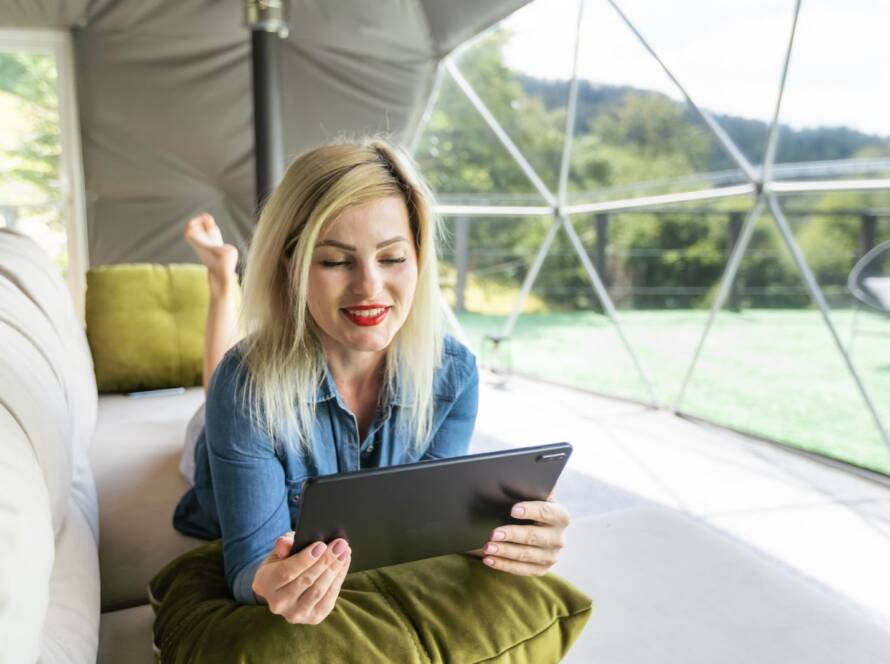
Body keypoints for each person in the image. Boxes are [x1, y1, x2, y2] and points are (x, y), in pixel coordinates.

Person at [172, 138, 571, 626]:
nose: (370, 288)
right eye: (336, 261)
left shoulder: (454, 373)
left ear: (419, 259)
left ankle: (222, 275)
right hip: (217, 435)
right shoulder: (243, 387)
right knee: (221, 388)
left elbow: (426, 520)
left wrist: (503, 534)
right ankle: (221, 278)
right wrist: (266, 580)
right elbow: (247, 564)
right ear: (290, 265)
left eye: (392, 258)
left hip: (245, 399)